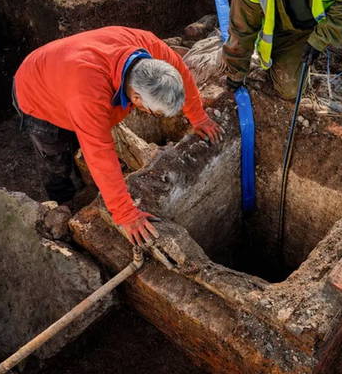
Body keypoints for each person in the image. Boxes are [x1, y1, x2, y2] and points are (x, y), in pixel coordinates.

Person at [13, 26, 223, 246]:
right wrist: (125, 214)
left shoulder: (151, 48)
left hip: (63, 71)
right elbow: (99, 153)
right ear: (136, 97)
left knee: (80, 136)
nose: (153, 116)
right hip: (36, 93)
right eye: (154, 112)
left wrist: (198, 117)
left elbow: (183, 75)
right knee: (55, 155)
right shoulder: (89, 94)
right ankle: (64, 200)